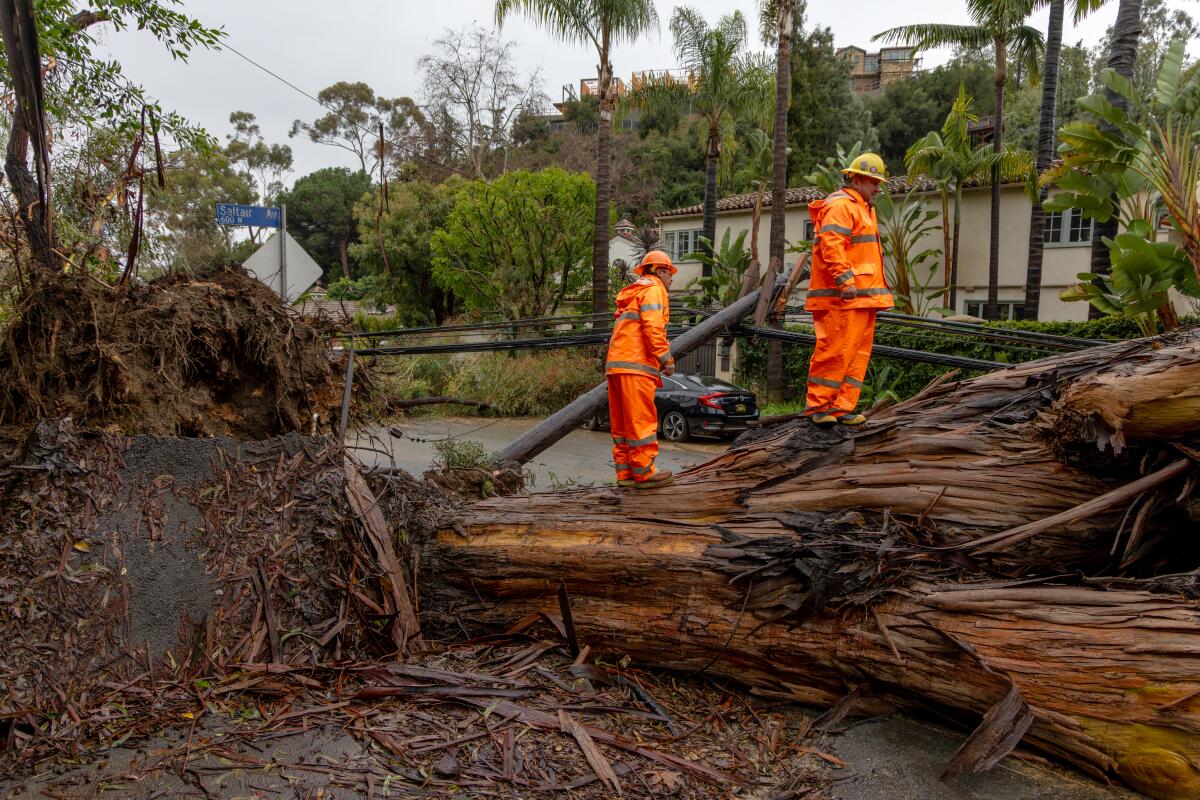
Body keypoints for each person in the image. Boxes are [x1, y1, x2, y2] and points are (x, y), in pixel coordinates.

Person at [803, 152, 895, 426]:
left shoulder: (862, 208)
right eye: (873, 181)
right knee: (835, 351)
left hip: (861, 299)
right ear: (856, 179)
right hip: (842, 298)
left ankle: (841, 407)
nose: (878, 187)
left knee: (855, 356)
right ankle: (819, 407)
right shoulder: (842, 206)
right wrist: (846, 281)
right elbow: (832, 244)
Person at [605, 250, 677, 489]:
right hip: (637, 366)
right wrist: (666, 358)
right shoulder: (654, 289)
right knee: (640, 420)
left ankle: (626, 473)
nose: (672, 278)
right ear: (658, 270)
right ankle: (645, 472)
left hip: (617, 366)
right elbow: (653, 327)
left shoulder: (633, 292)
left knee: (622, 423)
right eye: (669, 272)